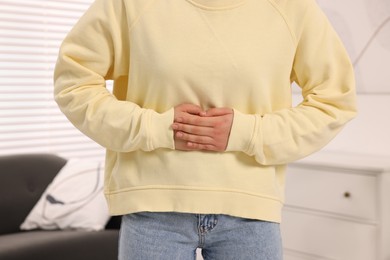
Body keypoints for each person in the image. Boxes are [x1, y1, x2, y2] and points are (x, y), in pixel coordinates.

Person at [53, 0, 357, 259]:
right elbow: (73, 83)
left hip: (250, 211)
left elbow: (335, 102)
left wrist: (249, 133)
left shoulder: (291, 8)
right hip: (152, 209)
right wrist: (152, 127)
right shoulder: (129, 5)